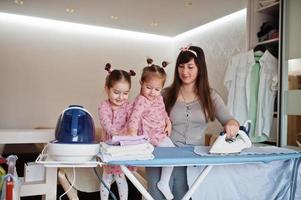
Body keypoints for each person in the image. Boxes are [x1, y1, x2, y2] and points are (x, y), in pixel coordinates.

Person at [146, 45, 240, 200]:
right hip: (163, 155)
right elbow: (144, 113)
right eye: (181, 67)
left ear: (200, 68)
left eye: (190, 67)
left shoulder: (210, 96)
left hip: (193, 159)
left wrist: (232, 124)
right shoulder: (165, 94)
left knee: (185, 195)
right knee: (157, 195)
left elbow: (228, 118)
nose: (185, 72)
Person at [127, 58, 175, 200]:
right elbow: (134, 117)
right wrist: (132, 134)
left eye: (157, 89)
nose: (152, 92)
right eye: (149, 87)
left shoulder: (159, 98)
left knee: (172, 153)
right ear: (141, 83)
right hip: (147, 136)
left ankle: (164, 182)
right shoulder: (141, 100)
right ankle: (158, 185)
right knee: (156, 157)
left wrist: (168, 122)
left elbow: (163, 111)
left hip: (160, 134)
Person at [98, 63, 136, 200]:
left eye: (125, 93)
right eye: (116, 92)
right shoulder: (104, 106)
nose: (121, 97)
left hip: (123, 149)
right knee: (106, 177)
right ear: (107, 88)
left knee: (121, 177)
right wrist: (117, 134)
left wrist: (128, 134)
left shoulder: (128, 107)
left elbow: (132, 122)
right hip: (109, 149)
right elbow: (105, 123)